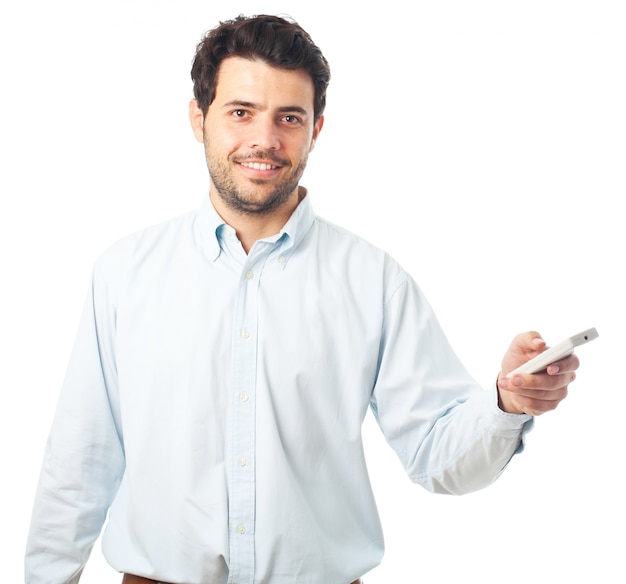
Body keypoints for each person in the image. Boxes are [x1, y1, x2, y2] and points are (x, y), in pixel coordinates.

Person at [25, 14, 579, 584]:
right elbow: (80, 461)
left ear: (316, 129)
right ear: (199, 117)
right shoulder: (124, 273)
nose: (265, 140)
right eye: (240, 112)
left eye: (289, 117)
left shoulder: (373, 281)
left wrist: (506, 402)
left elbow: (440, 457)